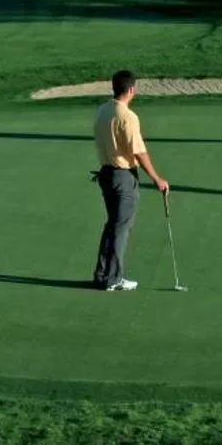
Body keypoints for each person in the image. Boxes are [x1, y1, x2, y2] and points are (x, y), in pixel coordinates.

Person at [90, 69, 170, 292]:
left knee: (112, 226)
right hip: (123, 177)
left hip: (106, 174)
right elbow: (138, 152)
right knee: (121, 228)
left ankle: (102, 274)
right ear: (132, 90)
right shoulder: (128, 116)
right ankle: (113, 278)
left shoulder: (103, 110)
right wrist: (157, 178)